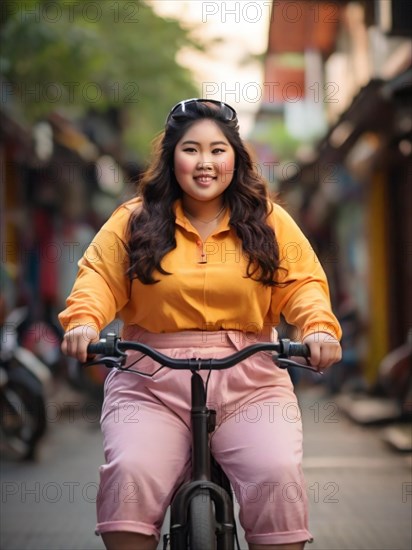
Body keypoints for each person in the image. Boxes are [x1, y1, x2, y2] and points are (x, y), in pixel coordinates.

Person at [59, 98, 342, 550]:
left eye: (218, 150)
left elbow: (303, 283)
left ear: (236, 158)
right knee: (130, 475)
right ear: (172, 158)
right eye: (192, 150)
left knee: (277, 475)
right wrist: (83, 323)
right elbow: (97, 279)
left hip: (251, 379)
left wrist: (318, 330)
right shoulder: (133, 220)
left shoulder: (269, 220)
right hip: (149, 379)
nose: (205, 163)